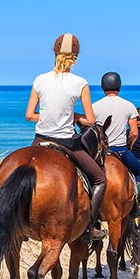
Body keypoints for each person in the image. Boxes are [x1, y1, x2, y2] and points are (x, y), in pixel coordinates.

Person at [25, 33, 107, 241]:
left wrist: (49, 116)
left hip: (39, 139)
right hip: (66, 142)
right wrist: (74, 117)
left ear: (54, 53)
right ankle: (89, 228)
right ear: (76, 57)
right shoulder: (80, 83)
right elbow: (90, 120)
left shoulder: (39, 79)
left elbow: (29, 115)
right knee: (99, 179)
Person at [92, 72, 140, 218]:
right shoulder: (128, 105)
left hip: (99, 152)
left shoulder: (94, 106)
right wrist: (130, 145)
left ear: (103, 87)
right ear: (119, 86)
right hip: (120, 150)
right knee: (139, 174)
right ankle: (135, 207)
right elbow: (134, 133)